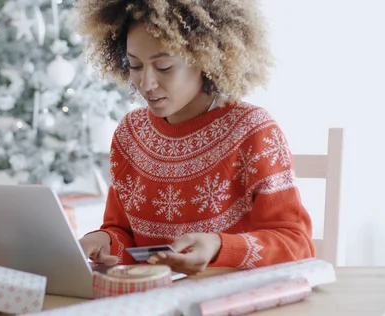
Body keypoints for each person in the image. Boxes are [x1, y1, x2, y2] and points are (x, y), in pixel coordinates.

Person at [75, 0, 315, 276]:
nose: (146, 84)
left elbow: (298, 246)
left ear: (205, 58)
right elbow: (124, 234)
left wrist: (218, 246)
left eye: (163, 67)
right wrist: (104, 241)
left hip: (230, 301)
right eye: (135, 66)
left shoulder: (253, 131)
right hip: (151, 303)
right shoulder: (130, 135)